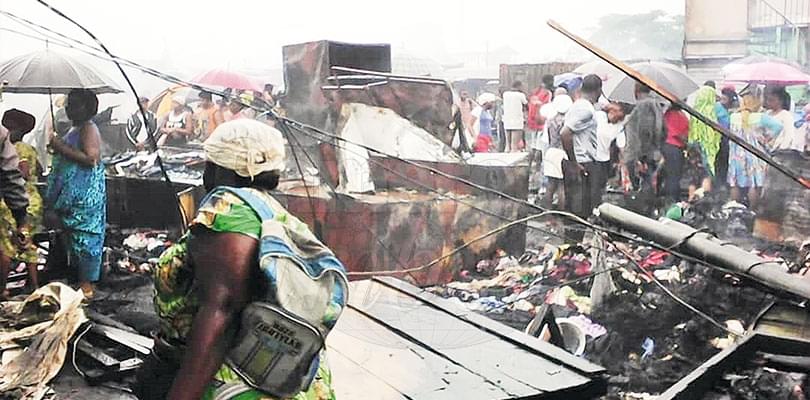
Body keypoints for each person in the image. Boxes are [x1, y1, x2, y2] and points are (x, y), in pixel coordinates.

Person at [133, 119, 342, 400]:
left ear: (220, 168)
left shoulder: (229, 209)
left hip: (233, 384)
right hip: (285, 381)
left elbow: (222, 311)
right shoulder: (271, 212)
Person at [46, 88, 106, 299]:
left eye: (75, 104)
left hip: (84, 197)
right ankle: (76, 282)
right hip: (70, 196)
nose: (69, 108)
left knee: (85, 239)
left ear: (88, 107)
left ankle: (86, 286)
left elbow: (91, 159)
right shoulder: (75, 128)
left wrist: (61, 147)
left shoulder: (89, 128)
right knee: (71, 239)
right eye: (68, 104)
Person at [0, 109, 38, 298]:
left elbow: (19, 174)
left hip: (17, 201)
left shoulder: (18, 148)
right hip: (28, 200)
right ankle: (33, 284)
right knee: (22, 243)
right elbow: (15, 176)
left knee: (8, 246)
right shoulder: (26, 148)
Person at [561, 74, 602, 241]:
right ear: (598, 90)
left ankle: (572, 246)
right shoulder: (585, 109)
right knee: (579, 210)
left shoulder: (577, 105)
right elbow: (565, 133)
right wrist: (574, 162)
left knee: (578, 210)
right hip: (582, 163)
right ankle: (572, 245)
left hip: (580, 162)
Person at [728, 92, 783, 209]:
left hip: (736, 154)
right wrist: (767, 138)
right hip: (755, 154)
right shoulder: (761, 117)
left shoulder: (733, 117)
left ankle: (734, 207)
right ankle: (752, 209)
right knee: (755, 183)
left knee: (735, 182)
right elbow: (778, 126)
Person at [622, 82, 664, 192]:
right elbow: (663, 129)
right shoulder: (657, 106)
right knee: (650, 186)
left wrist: (641, 157)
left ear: (636, 90)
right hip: (654, 152)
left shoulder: (643, 106)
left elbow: (644, 131)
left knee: (642, 188)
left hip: (640, 155)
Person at [541, 91, 573, 210]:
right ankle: (561, 211)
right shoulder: (568, 122)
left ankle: (547, 211)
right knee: (561, 185)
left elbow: (548, 138)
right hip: (562, 153)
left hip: (551, 152)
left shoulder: (550, 120)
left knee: (550, 185)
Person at [593, 102, 626, 204]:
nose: (615, 120)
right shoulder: (599, 116)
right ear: (610, 112)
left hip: (604, 158)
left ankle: (597, 204)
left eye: (618, 118)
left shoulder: (619, 127)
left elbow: (622, 146)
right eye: (614, 116)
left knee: (600, 185)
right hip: (591, 156)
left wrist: (624, 162)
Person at [688, 85, 721, 181]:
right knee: (708, 170)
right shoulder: (711, 111)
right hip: (707, 146)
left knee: (695, 172)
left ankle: (694, 189)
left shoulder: (694, 110)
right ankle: (706, 187)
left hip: (694, 143)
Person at [661, 103, 690, 202]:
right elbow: (678, 134)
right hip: (674, 146)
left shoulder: (668, 114)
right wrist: (687, 143)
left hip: (668, 146)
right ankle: (672, 199)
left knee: (671, 175)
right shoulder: (676, 115)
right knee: (674, 176)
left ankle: (671, 198)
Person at [766, 85, 804, 153]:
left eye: (772, 100)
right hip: (765, 147)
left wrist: (781, 149)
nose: (768, 102)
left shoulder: (786, 115)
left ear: (780, 101)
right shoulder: (767, 113)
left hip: (777, 150)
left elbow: (789, 136)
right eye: (768, 100)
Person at [714, 86, 737, 186]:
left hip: (727, 139)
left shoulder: (731, 110)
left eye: (726, 96)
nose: (723, 97)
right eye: (723, 95)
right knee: (719, 164)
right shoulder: (717, 107)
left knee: (724, 164)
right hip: (718, 138)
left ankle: (722, 184)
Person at [502, 81, 528, 152]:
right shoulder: (520, 95)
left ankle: (507, 150)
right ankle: (514, 151)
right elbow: (526, 104)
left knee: (508, 144)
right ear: (519, 86)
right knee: (514, 145)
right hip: (517, 119)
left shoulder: (505, 94)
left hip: (507, 119)